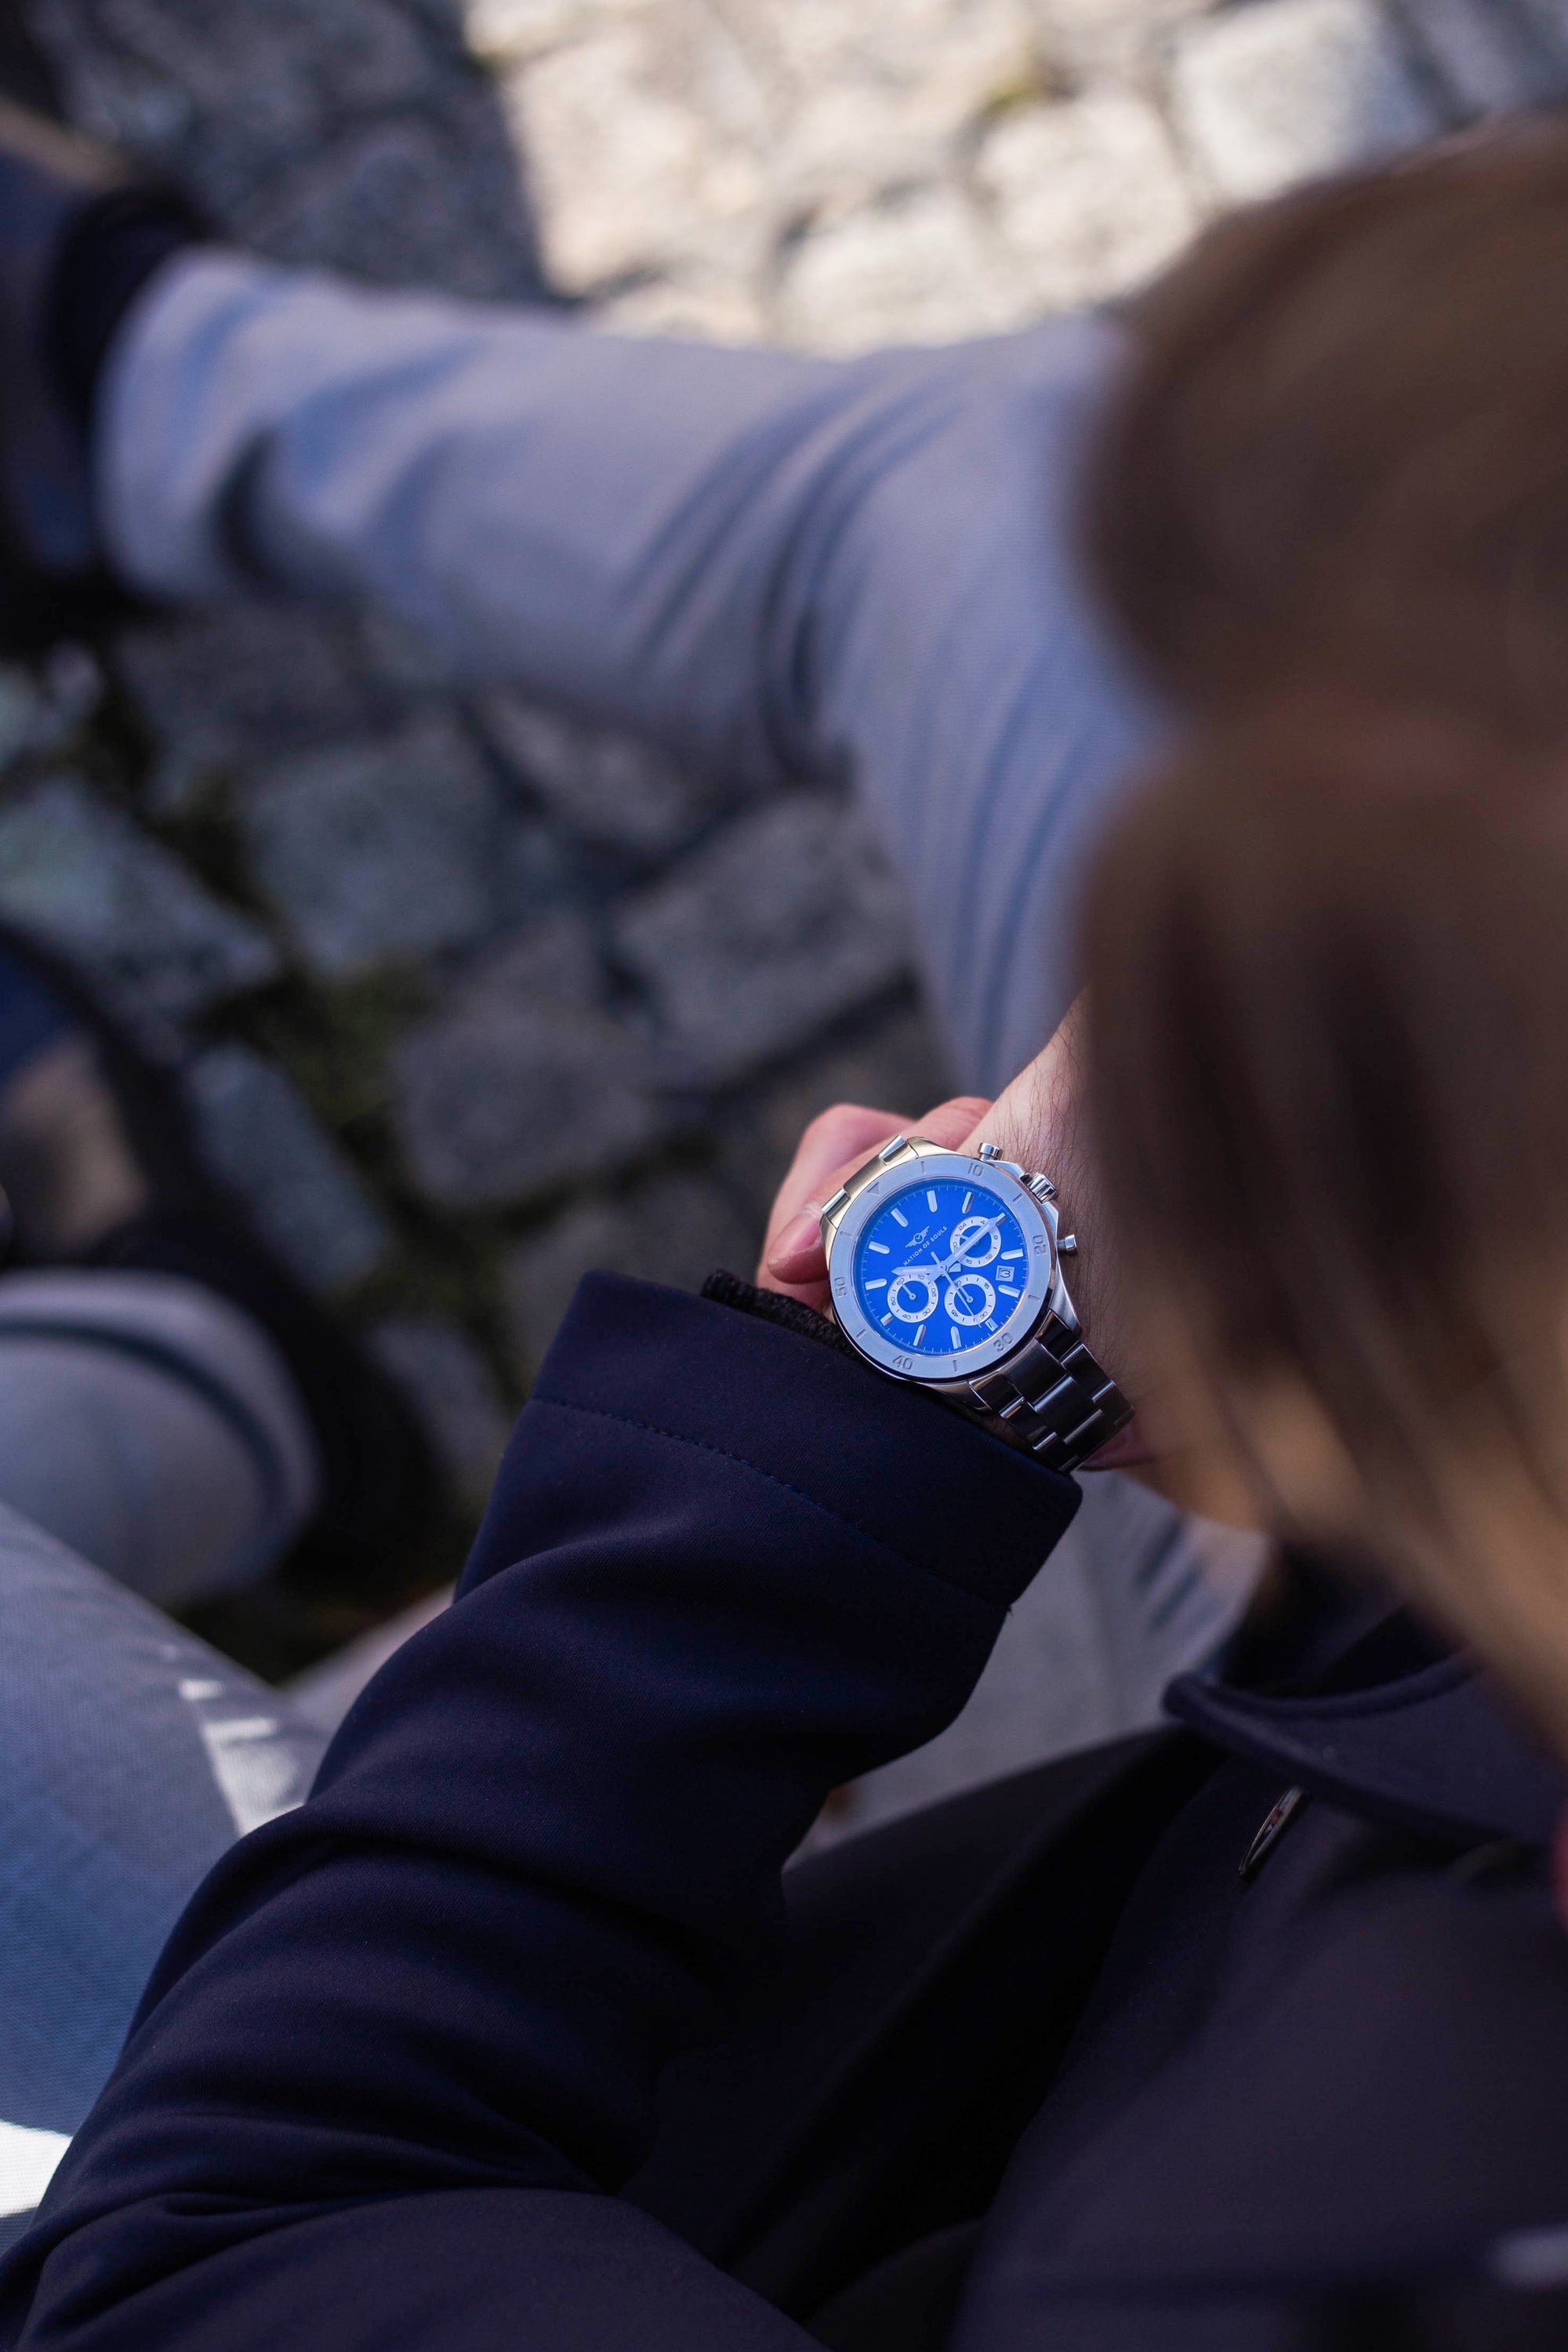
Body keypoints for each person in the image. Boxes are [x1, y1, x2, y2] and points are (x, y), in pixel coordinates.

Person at [5, 82, 1568, 2352]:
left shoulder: (1315, 2262)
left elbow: (220, 2262)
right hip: (1248, 1776)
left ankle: (189, 1382)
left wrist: (885, 1398)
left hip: (621, 2167)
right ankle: (125, 394)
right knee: (1023, 485)